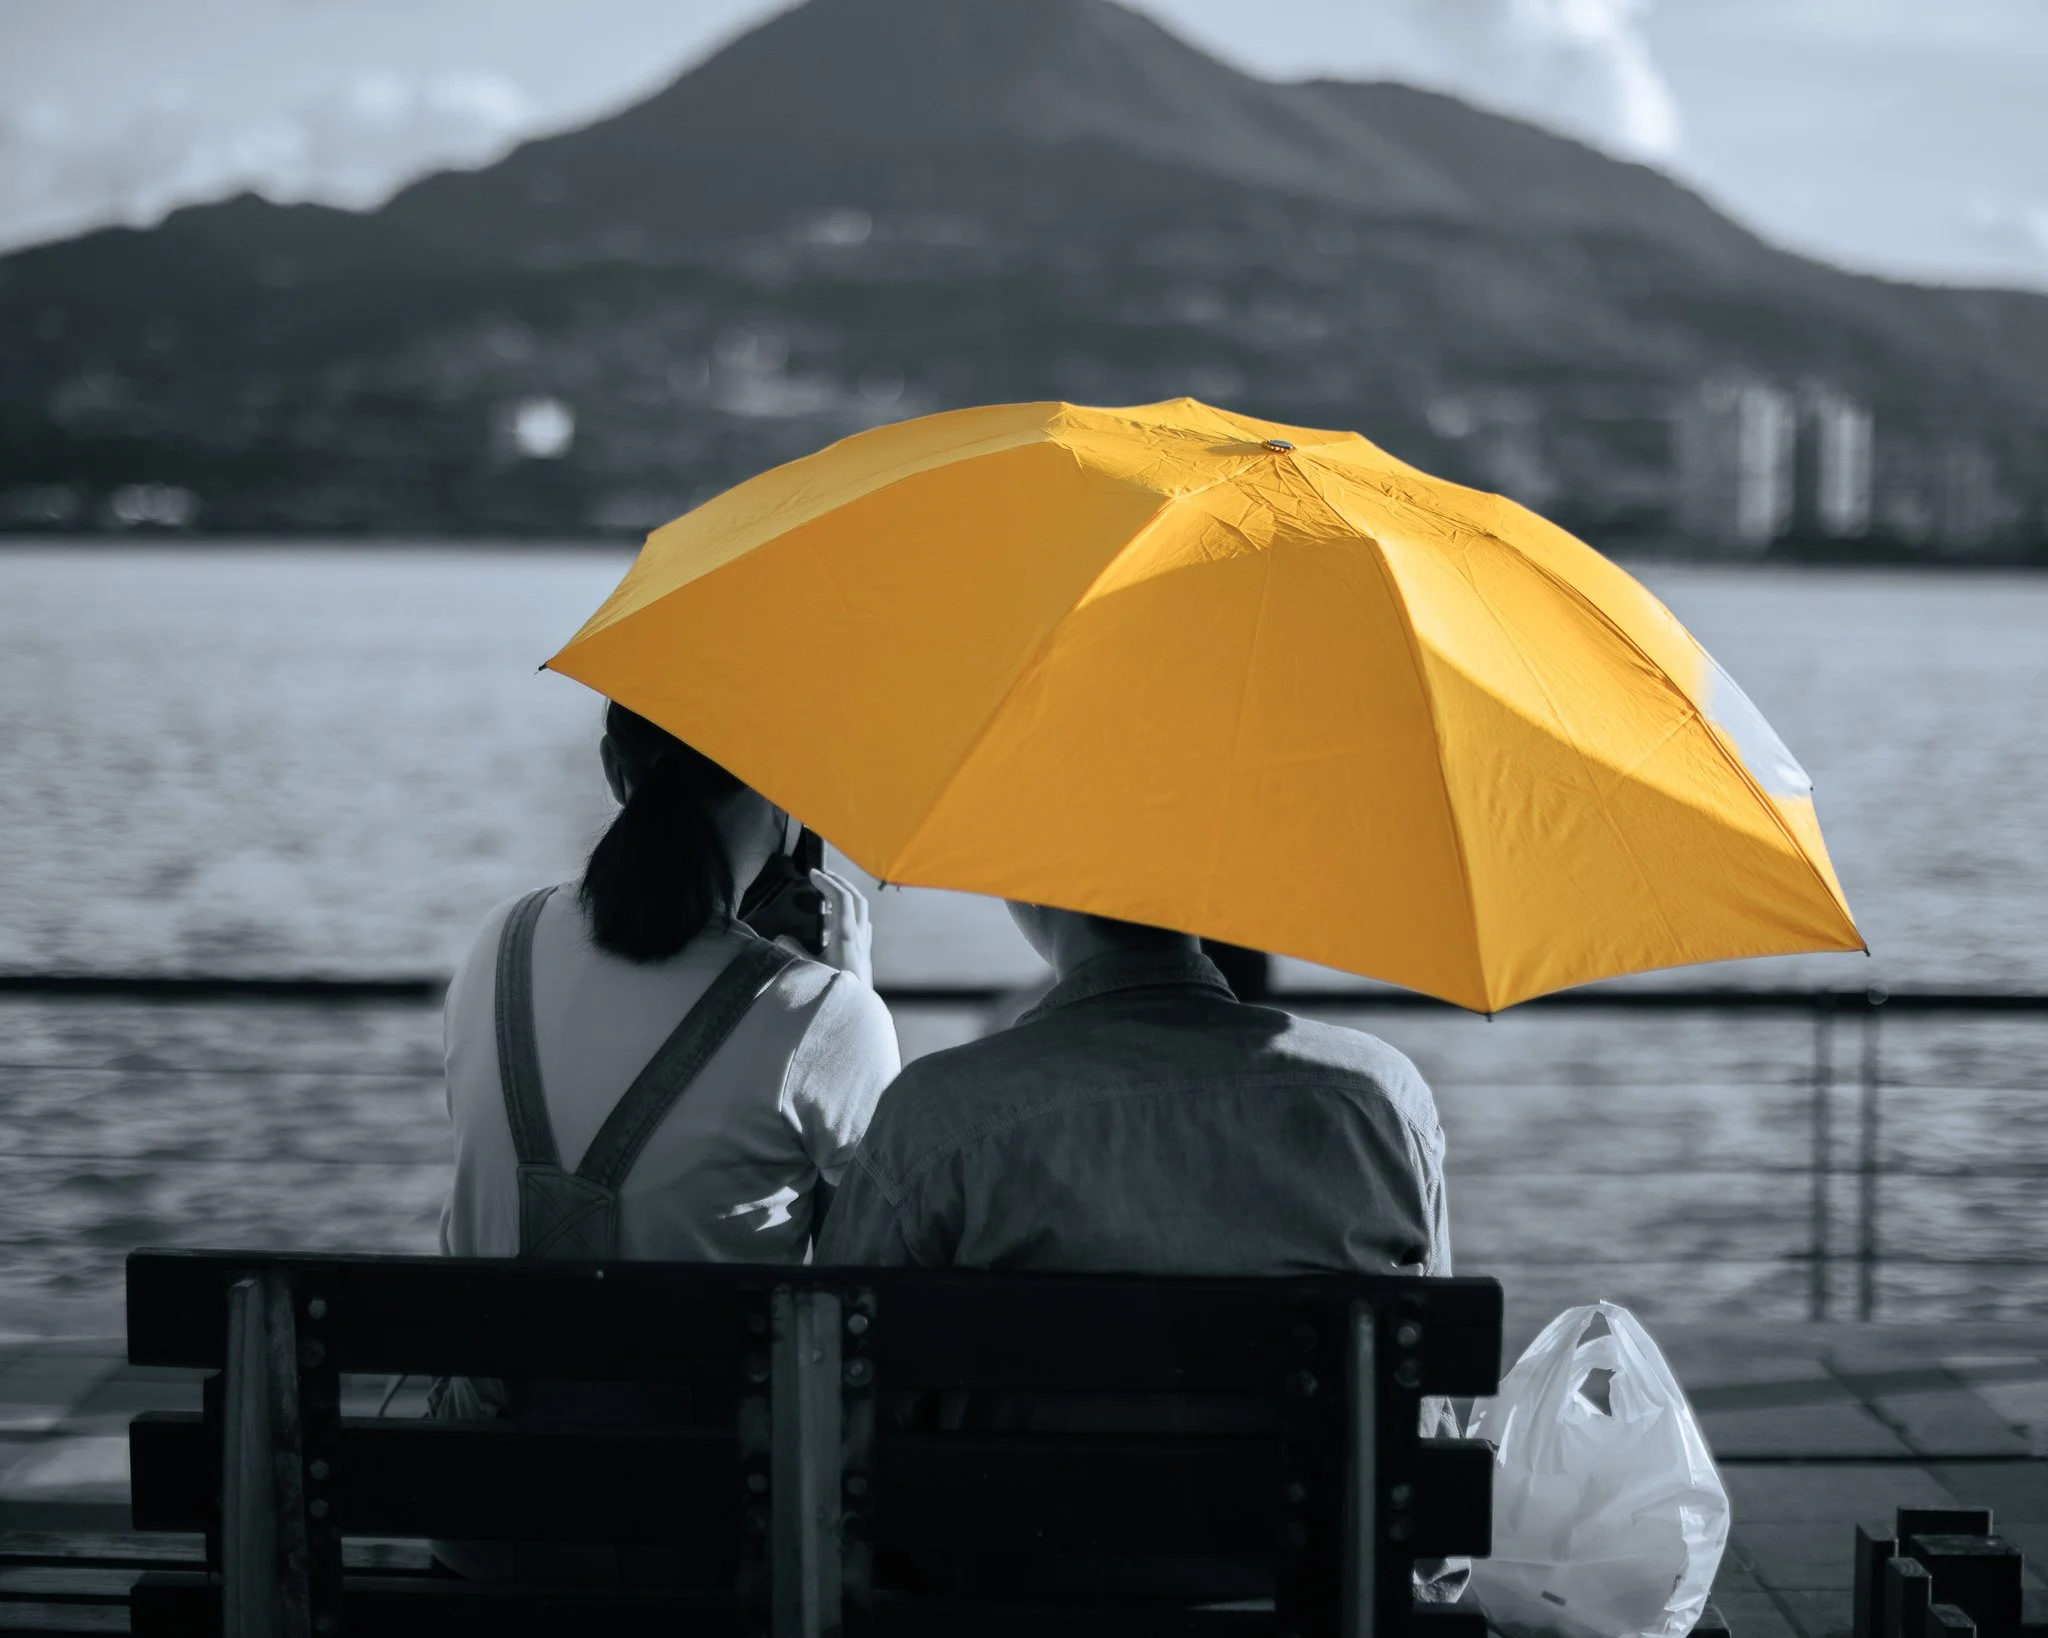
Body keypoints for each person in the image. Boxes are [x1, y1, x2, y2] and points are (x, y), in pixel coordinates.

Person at [817, 901, 1457, 1603]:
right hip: (1310, 1599)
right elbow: (1423, 1411)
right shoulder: (1381, 1099)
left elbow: (832, 1399)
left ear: (1029, 892)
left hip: (1013, 1602)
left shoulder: (939, 1111)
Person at [434, 701, 897, 1580]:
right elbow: (872, 1273)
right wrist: (852, 994)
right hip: (703, 1541)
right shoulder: (822, 1013)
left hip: (481, 1524)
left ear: (615, 771)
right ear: (786, 803)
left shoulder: (499, 942)